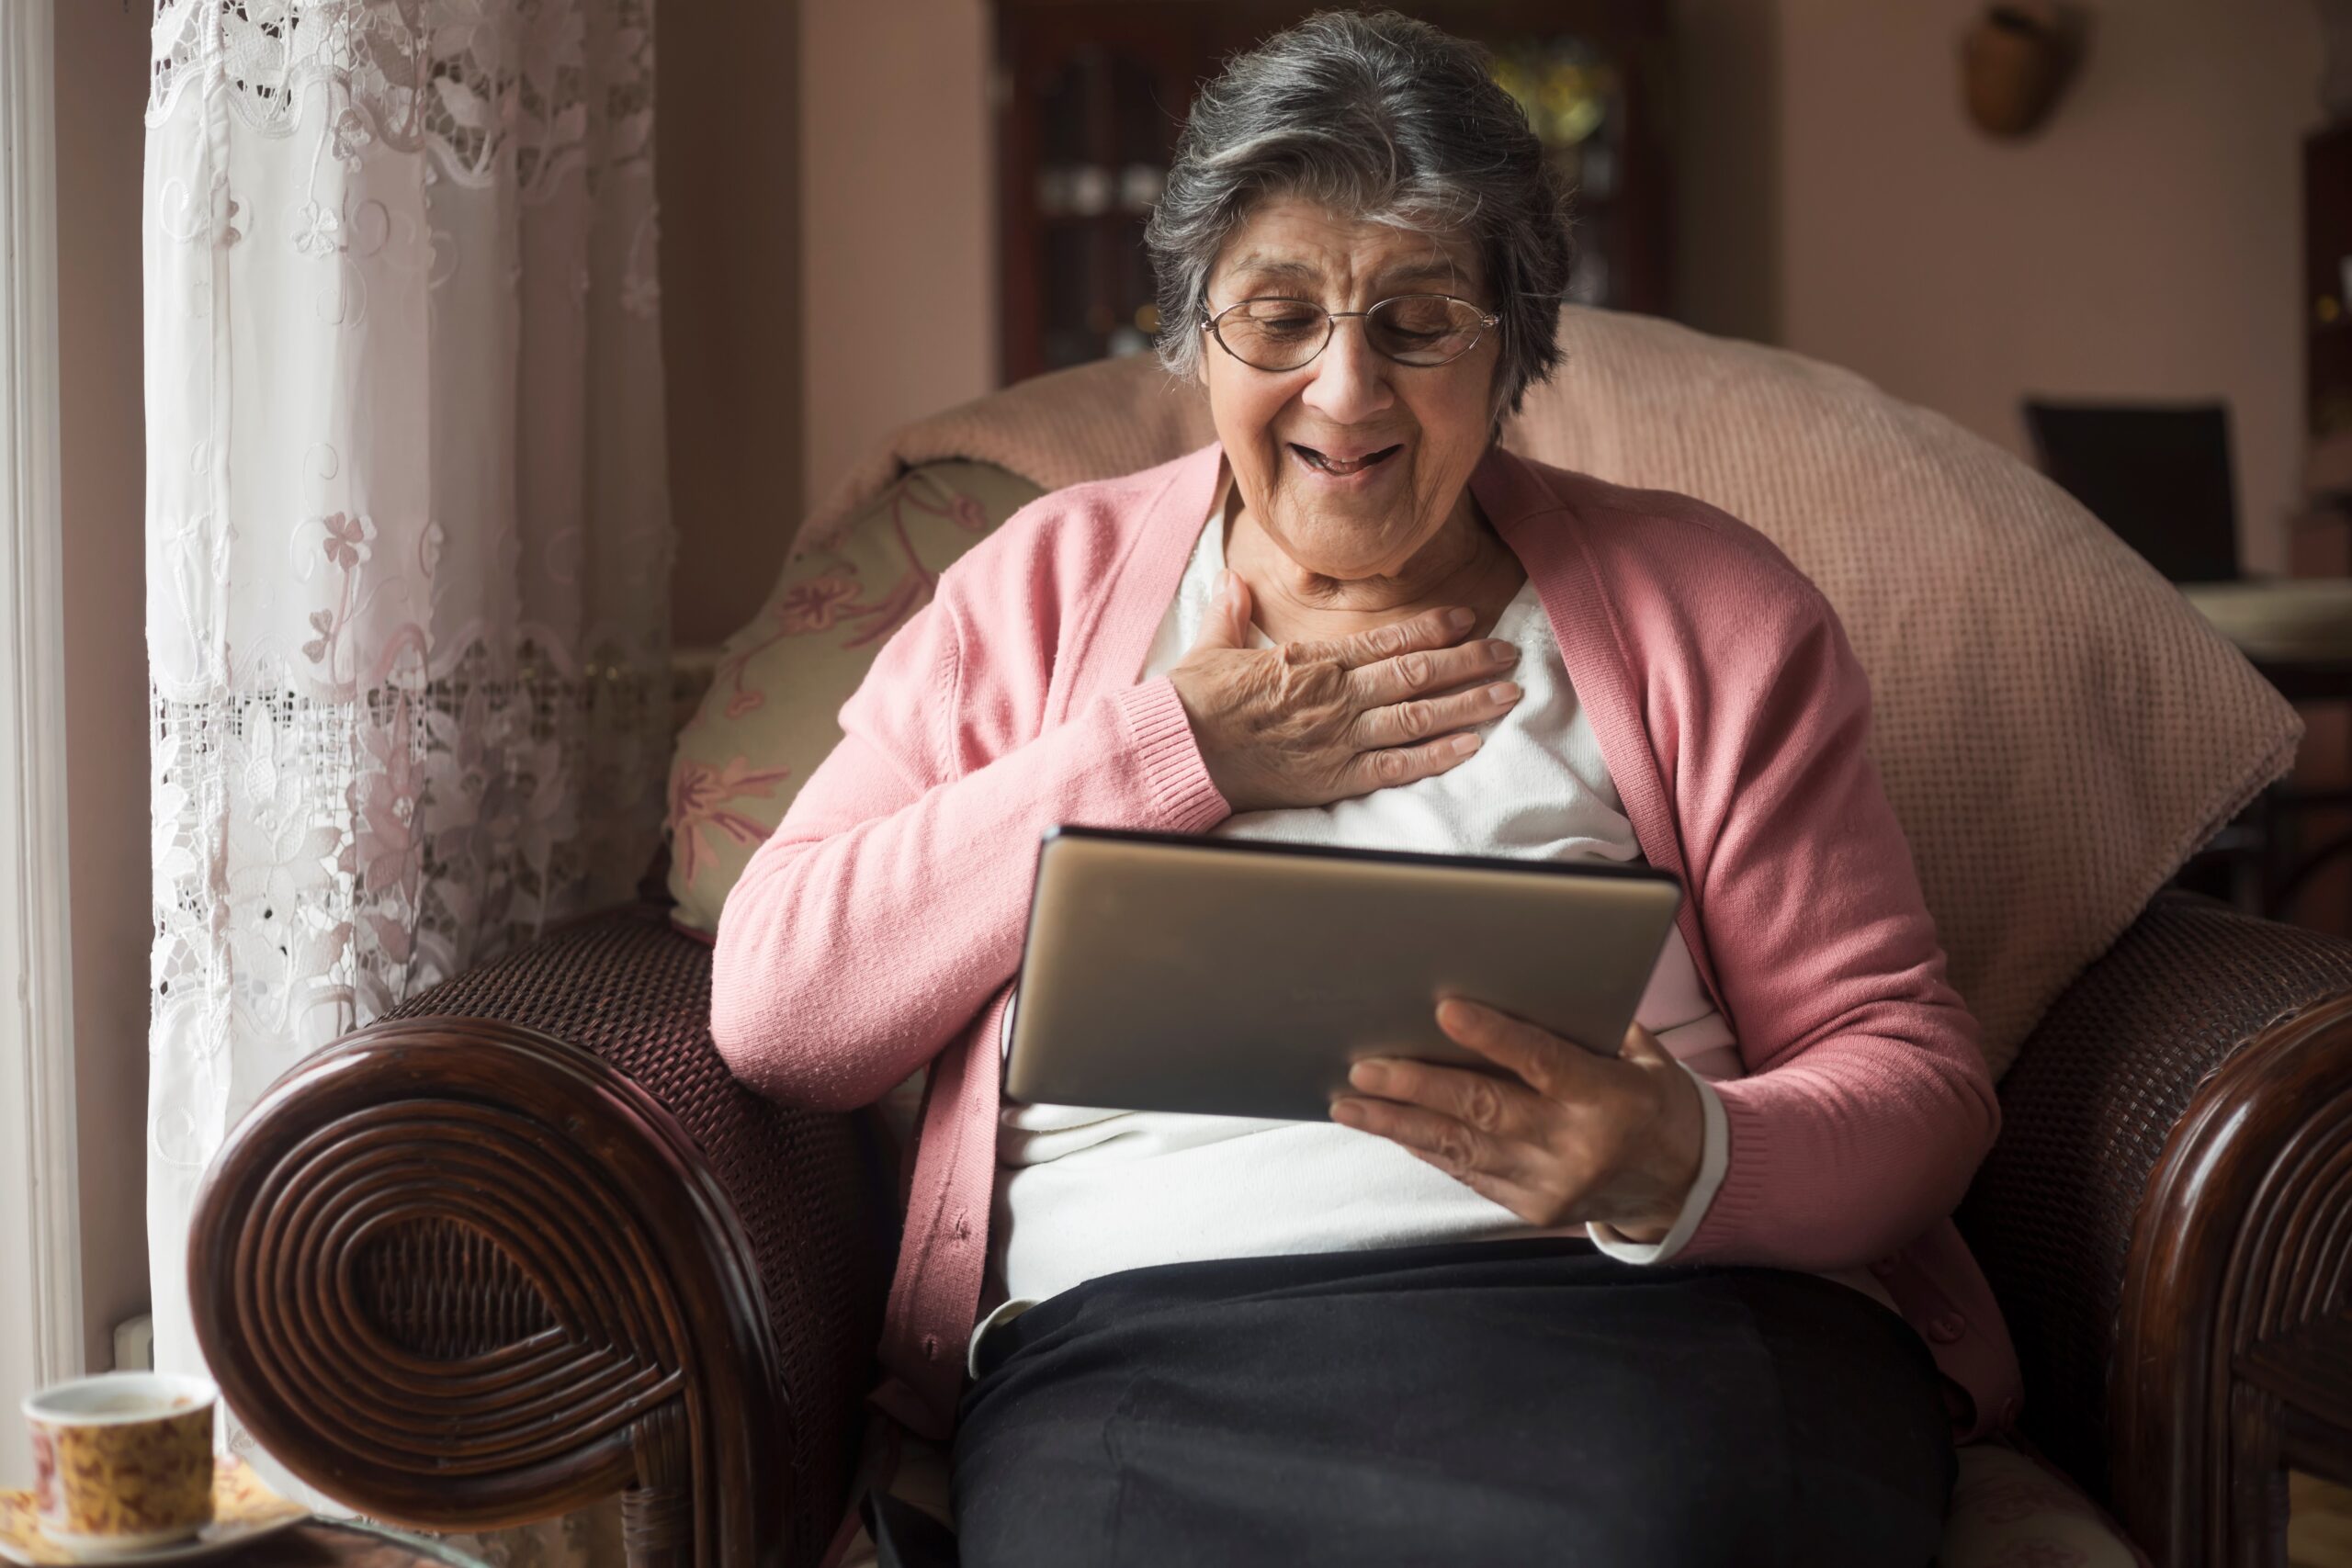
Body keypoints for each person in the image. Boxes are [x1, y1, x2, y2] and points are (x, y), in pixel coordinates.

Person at [713, 12, 2018, 1564]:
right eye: (1279, 317)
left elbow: (1917, 1072)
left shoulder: (1707, 607)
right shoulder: (1041, 593)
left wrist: (1689, 1156)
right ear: (1197, 334)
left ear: (1515, 346)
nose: (1346, 393)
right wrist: (1170, 752)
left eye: (1419, 321)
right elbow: (780, 1012)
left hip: (1647, 1324)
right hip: (1141, 1357)